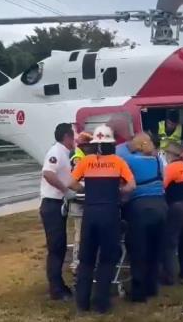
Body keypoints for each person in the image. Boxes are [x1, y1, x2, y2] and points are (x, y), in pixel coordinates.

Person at [69, 125, 135, 313]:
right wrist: (117, 191)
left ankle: (82, 303)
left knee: (86, 259)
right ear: (112, 144)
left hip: (90, 213)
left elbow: (71, 183)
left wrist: (85, 190)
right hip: (110, 214)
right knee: (107, 259)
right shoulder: (118, 161)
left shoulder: (87, 161)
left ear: (96, 145)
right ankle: (101, 303)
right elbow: (131, 185)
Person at [117, 132, 167, 302]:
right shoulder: (157, 160)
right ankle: (152, 287)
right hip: (161, 206)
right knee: (154, 249)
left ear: (137, 146)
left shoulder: (131, 160)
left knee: (138, 251)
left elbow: (119, 152)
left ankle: (139, 293)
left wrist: (127, 141)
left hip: (141, 208)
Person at [39, 123, 76, 300]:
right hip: (52, 205)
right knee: (56, 247)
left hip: (58, 205)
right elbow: (48, 173)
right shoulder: (56, 152)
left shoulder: (64, 153)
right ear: (67, 137)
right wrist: (64, 190)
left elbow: (67, 178)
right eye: (73, 136)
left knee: (60, 247)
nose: (74, 140)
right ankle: (56, 289)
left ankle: (59, 284)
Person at [161, 142, 183, 285]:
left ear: (170, 155)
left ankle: (169, 277)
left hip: (177, 207)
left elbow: (163, 186)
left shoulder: (171, 168)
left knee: (169, 243)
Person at [68, 131, 93, 275]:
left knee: (82, 232)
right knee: (79, 233)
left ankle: (81, 262)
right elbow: (77, 179)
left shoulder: (81, 155)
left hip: (82, 199)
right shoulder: (78, 157)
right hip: (79, 199)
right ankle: (76, 263)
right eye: (88, 146)